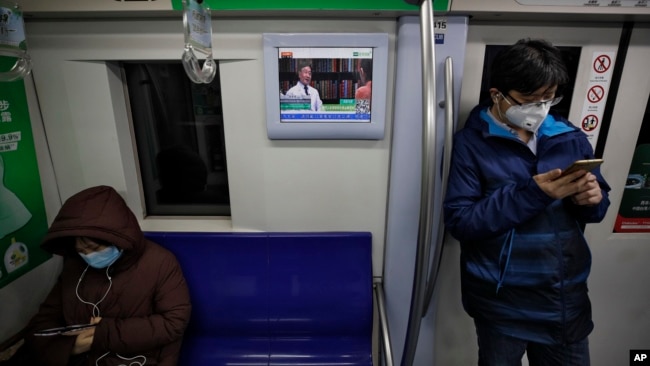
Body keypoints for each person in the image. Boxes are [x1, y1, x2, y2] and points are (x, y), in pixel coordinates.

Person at [443, 38, 611, 366]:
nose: (540, 108)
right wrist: (534, 194)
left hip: (564, 297)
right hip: (502, 301)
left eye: (548, 98)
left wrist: (592, 199)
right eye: (529, 100)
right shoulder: (471, 144)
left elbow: (597, 208)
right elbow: (461, 221)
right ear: (497, 95)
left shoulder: (569, 136)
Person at [10, 185, 191, 366]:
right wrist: (69, 347)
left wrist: (103, 334)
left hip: (133, 357)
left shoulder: (159, 262)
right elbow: (44, 323)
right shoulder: (75, 265)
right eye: (81, 250)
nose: (88, 256)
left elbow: (173, 322)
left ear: (118, 240)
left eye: (95, 249)